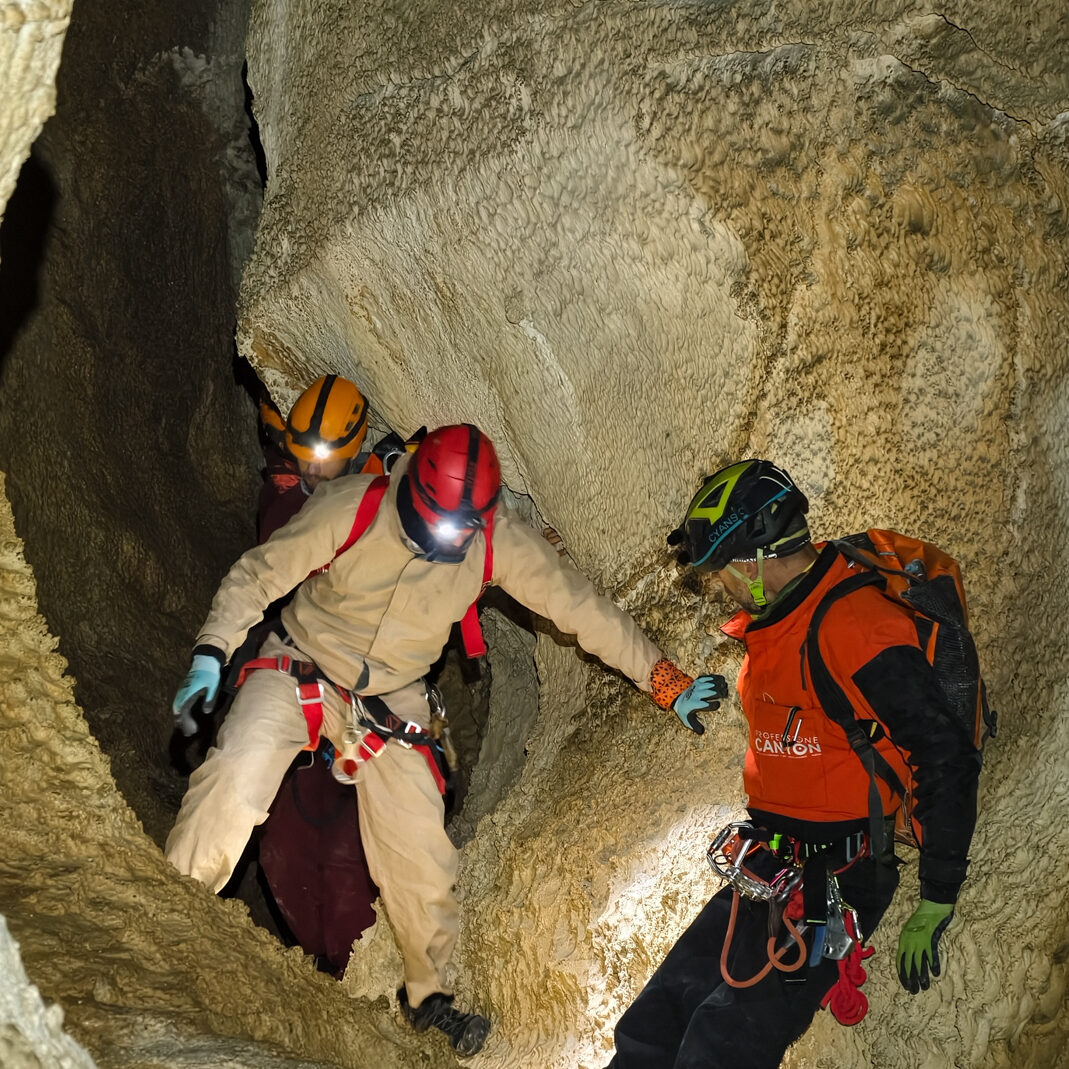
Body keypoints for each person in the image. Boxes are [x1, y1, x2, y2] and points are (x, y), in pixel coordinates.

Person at [165, 421, 723, 1056]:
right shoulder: (353, 505)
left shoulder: (494, 541)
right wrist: (213, 649)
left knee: (421, 852)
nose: (448, 543)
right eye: (438, 527)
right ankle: (171, 908)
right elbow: (259, 574)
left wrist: (664, 678)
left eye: (463, 532)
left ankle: (429, 997)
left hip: (395, 694)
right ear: (414, 493)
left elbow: (581, 609)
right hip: (306, 661)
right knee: (236, 779)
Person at [606, 459, 981, 1069]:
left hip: (840, 875)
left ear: (753, 563)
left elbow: (942, 752)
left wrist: (938, 892)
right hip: (769, 861)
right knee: (651, 1026)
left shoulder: (855, 624)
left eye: (722, 571)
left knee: (720, 1048)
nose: (721, 586)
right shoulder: (778, 620)